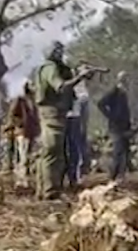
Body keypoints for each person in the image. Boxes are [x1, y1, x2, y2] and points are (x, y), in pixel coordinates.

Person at [34, 41, 97, 200]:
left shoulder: (55, 68)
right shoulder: (50, 68)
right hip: (52, 113)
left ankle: (46, 190)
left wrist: (81, 75)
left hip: (57, 113)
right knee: (53, 150)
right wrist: (80, 77)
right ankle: (50, 192)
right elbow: (61, 87)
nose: (61, 53)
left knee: (54, 152)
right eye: (58, 50)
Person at [97, 71, 132, 182]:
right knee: (118, 151)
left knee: (125, 151)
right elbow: (101, 103)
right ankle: (113, 176)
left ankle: (121, 175)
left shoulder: (124, 92)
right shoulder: (114, 91)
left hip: (125, 126)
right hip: (116, 127)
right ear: (119, 80)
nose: (126, 81)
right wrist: (111, 116)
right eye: (124, 79)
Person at [7, 81, 40, 188]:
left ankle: (26, 178)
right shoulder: (19, 100)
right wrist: (19, 124)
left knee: (29, 155)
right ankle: (21, 179)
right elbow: (12, 114)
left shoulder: (32, 100)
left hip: (31, 131)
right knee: (23, 156)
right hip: (22, 132)